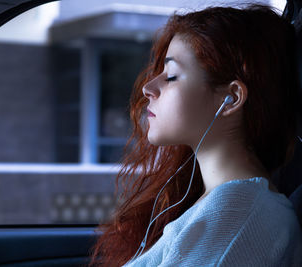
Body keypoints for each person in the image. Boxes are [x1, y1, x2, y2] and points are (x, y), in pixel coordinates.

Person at [88, 3, 302, 267]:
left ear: (231, 98)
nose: (148, 88)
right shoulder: (221, 204)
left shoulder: (238, 214)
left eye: (172, 76)